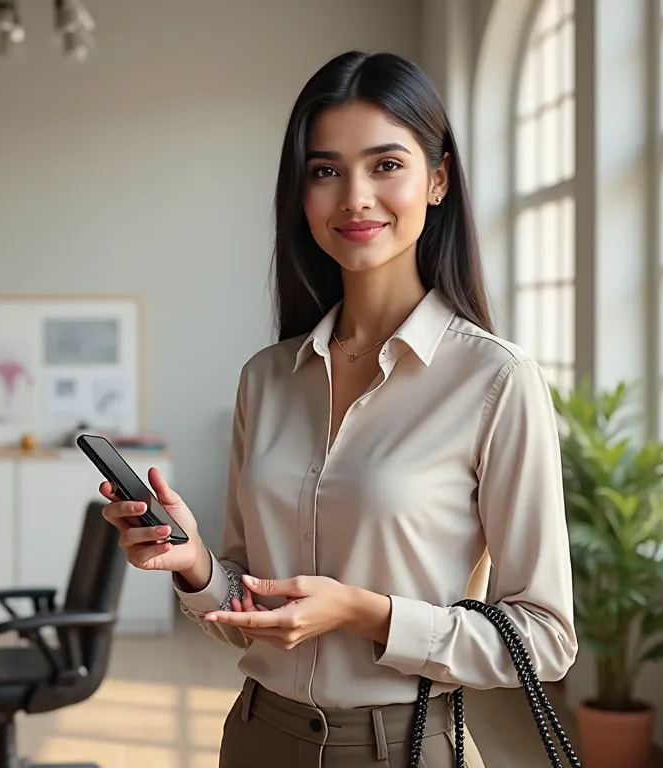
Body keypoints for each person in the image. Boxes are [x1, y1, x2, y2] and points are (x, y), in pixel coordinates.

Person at [99, 50, 577, 768]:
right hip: (257, 738)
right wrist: (195, 564)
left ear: (438, 179)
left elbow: (544, 638)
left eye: (386, 165)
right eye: (325, 171)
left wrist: (367, 613)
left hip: (407, 747)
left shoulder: (496, 380)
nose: (354, 197)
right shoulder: (266, 379)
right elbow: (253, 609)